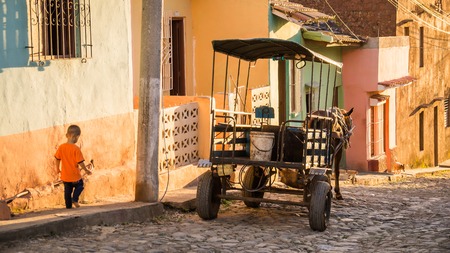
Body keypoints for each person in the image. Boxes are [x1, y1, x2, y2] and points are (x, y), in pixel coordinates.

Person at [54, 125, 92, 209]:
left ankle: (68, 206)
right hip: (75, 175)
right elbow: (80, 162)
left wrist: (57, 169)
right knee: (80, 186)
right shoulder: (76, 149)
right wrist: (86, 170)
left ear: (67, 135)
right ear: (75, 137)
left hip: (65, 175)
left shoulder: (61, 147)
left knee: (67, 191)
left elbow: (57, 159)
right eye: (78, 138)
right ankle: (75, 199)